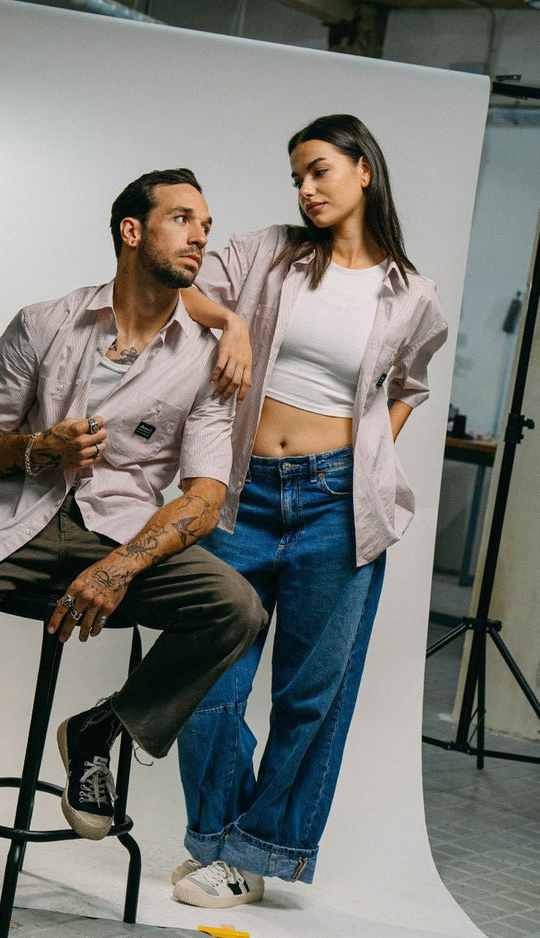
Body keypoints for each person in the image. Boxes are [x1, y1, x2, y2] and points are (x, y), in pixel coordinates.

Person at [0, 167, 268, 938]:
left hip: (117, 533)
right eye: (181, 219)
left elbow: (204, 497)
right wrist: (38, 449)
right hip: (8, 519)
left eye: (205, 223)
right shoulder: (47, 323)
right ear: (132, 231)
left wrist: (120, 566)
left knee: (235, 606)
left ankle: (101, 728)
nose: (200, 236)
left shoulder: (207, 358)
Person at [171, 114, 449, 909]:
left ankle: (253, 852)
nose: (306, 188)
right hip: (241, 492)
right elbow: (178, 283)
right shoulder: (268, 253)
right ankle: (221, 839)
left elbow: (409, 385)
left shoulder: (412, 294)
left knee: (309, 695)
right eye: (297, 176)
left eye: (319, 169)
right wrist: (231, 322)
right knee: (204, 678)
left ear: (364, 170)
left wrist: (368, 457)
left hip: (336, 504)